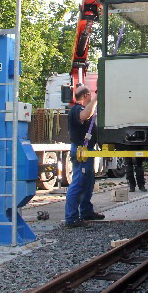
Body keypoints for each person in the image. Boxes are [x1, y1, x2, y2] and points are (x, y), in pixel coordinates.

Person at [64, 86, 105, 228]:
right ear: (86, 95)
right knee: (78, 184)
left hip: (88, 151)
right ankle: (71, 218)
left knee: (87, 183)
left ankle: (86, 212)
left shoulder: (83, 109)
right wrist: (96, 99)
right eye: (91, 95)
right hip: (81, 152)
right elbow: (85, 116)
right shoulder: (76, 109)